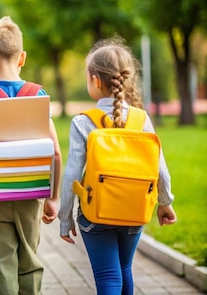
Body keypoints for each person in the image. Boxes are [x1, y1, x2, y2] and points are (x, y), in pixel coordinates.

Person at [58, 37, 177, 295]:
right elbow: (159, 167)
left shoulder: (83, 122)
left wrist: (64, 217)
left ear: (95, 81)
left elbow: (72, 174)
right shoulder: (141, 118)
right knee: (124, 270)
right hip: (134, 211)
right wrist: (165, 202)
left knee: (107, 276)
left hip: (95, 213)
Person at [0, 16, 62, 294]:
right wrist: (53, 197)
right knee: (29, 258)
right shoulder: (37, 95)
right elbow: (54, 151)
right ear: (22, 58)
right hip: (32, 192)